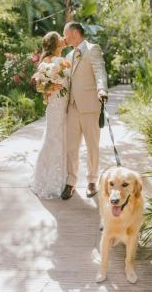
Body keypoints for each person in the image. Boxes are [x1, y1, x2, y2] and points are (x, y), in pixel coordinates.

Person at [61, 21, 108, 200]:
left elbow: (99, 71)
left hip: (90, 105)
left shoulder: (92, 49)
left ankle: (91, 181)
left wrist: (102, 89)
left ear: (74, 33)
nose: (64, 38)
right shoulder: (69, 54)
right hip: (72, 107)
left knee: (92, 146)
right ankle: (71, 182)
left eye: (65, 34)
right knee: (71, 146)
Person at [32, 31, 69, 199]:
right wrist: (50, 88)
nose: (63, 39)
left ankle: (61, 179)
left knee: (61, 139)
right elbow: (40, 86)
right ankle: (48, 180)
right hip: (55, 105)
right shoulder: (49, 62)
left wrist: (49, 88)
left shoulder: (62, 59)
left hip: (65, 104)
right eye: (60, 38)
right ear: (55, 43)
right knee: (52, 139)